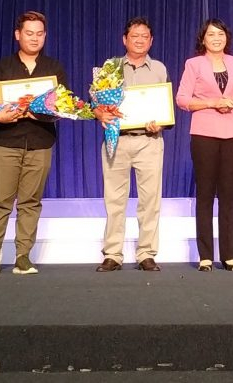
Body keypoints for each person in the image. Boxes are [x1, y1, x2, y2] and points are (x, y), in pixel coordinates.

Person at [0, 11, 68, 276]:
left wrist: (39, 112)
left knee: (31, 201)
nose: (34, 38)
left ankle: (23, 257)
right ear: (18, 35)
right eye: (29, 33)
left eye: (39, 34)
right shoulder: (2, 67)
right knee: (0, 200)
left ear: (45, 36)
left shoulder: (53, 69)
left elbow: (63, 106)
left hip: (40, 143)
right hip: (7, 142)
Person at [176, 18, 233, 272]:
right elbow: (182, 99)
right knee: (205, 194)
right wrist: (212, 103)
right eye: (211, 34)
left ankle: (229, 255)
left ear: (226, 37)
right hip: (204, 134)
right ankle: (205, 256)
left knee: (228, 195)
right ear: (203, 39)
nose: (216, 38)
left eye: (220, 34)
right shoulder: (194, 64)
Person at [92, 17, 170, 273]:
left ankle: (146, 253)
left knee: (150, 201)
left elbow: (165, 107)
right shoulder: (111, 67)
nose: (139, 40)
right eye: (135, 36)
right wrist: (99, 113)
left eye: (145, 36)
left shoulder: (159, 68)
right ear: (125, 39)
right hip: (117, 140)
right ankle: (112, 254)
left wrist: (161, 124)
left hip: (149, 141)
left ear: (151, 40)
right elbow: (96, 104)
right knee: (114, 200)